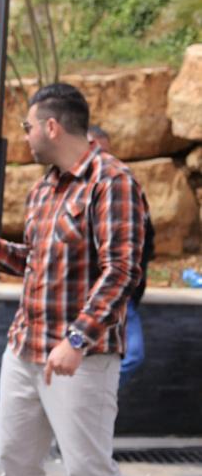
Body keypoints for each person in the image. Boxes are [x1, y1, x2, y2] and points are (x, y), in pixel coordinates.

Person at [0, 83, 145, 476]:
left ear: (51, 127)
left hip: (81, 359)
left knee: (89, 474)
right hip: (24, 350)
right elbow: (35, 260)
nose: (25, 135)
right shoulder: (43, 189)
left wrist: (76, 339)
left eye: (27, 126)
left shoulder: (112, 182)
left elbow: (122, 271)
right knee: (15, 466)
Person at [88, 125, 155, 388]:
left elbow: (147, 242)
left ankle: (95, 396)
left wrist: (132, 288)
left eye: (107, 153)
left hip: (121, 293)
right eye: (96, 151)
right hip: (84, 295)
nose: (103, 159)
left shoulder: (126, 188)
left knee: (131, 354)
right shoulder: (67, 191)